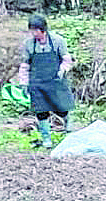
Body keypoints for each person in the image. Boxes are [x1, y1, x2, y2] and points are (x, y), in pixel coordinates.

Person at [15, 14, 73, 148]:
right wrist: (24, 83)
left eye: (36, 30)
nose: (34, 33)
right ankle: (46, 139)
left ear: (43, 30)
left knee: (62, 109)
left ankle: (68, 132)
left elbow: (66, 59)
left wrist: (62, 70)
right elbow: (25, 65)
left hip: (55, 81)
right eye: (31, 31)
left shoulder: (58, 41)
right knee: (41, 111)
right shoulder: (29, 44)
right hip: (37, 82)